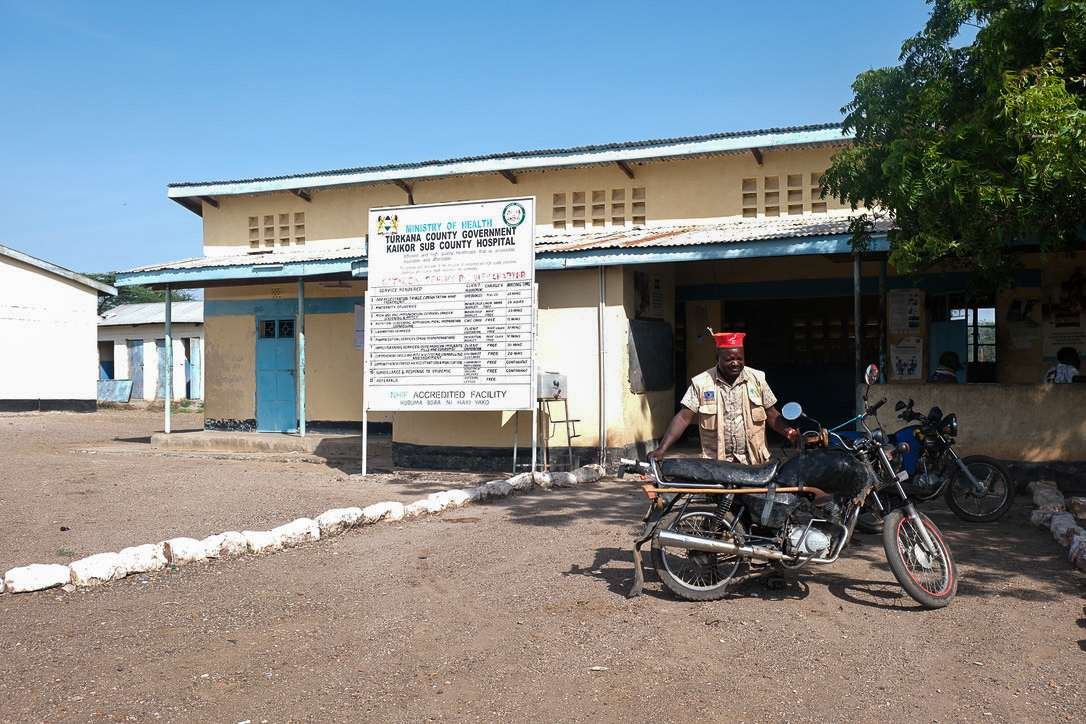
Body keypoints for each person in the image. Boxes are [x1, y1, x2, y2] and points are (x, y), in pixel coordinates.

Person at [649, 330, 798, 463]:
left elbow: (771, 413)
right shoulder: (701, 382)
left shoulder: (757, 379)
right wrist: (662, 449)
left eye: (740, 359)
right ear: (718, 358)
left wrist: (788, 431)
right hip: (717, 464)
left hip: (753, 461)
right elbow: (683, 418)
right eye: (729, 359)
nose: (735, 363)